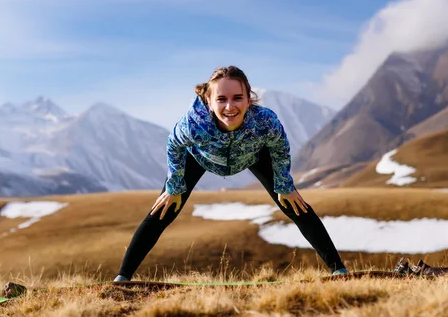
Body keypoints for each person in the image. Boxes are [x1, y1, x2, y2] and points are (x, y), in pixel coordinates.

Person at [114, 66, 347, 281]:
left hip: (253, 155)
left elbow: (279, 148)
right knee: (164, 208)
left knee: (294, 203)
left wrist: (285, 185)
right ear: (208, 100)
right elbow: (174, 145)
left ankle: (339, 270)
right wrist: (174, 188)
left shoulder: (265, 122)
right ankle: (122, 279)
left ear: (248, 99)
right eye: (221, 99)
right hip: (200, 157)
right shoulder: (194, 124)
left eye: (237, 98)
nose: (229, 106)